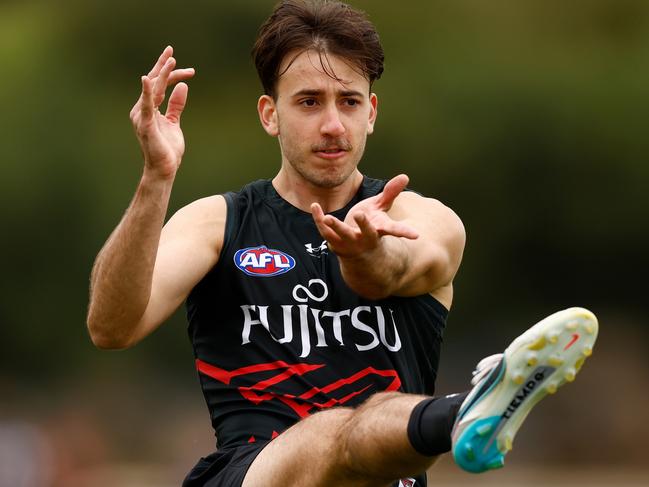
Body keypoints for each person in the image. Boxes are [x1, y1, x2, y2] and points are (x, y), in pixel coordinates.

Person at [86, 1, 599, 486]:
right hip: (253, 471)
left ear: (370, 113)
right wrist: (157, 177)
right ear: (270, 114)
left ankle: (468, 411)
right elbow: (111, 326)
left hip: (384, 476)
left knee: (363, 426)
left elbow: (389, 271)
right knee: (333, 434)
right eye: (309, 102)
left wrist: (364, 251)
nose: (332, 125)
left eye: (348, 102)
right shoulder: (217, 223)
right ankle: (466, 411)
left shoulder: (422, 218)